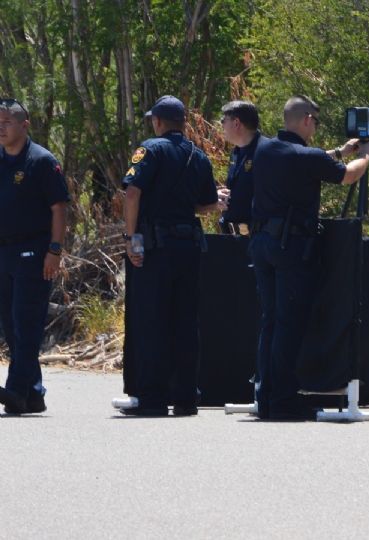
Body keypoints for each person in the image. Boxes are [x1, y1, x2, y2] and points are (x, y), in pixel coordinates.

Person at [250, 95, 369, 420]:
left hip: (263, 244)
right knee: (289, 325)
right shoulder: (305, 156)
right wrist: (366, 157)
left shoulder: (265, 149)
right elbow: (347, 175)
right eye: (316, 122)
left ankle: (265, 397)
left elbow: (311, 160)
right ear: (306, 119)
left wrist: (340, 151)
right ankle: (283, 401)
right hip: (290, 247)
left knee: (270, 322)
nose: (316, 127)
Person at [119, 95, 222, 417]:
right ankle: (186, 397)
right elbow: (206, 205)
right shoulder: (198, 156)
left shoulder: (149, 149)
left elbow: (132, 192)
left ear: (158, 122)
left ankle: (151, 398)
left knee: (151, 319)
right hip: (188, 247)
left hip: (155, 248)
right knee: (185, 322)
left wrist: (131, 238)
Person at [0, 98, 69, 415]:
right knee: (10, 324)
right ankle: (34, 393)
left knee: (26, 322)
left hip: (34, 251)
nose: (1, 128)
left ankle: (15, 390)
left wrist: (54, 251)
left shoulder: (41, 161)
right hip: (4, 251)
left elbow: (59, 208)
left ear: (23, 125)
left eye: (7, 122)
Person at [218, 100, 263, 235]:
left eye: (223, 120)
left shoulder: (265, 150)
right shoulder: (236, 152)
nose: (221, 124)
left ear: (236, 123)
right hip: (232, 235)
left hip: (256, 237)